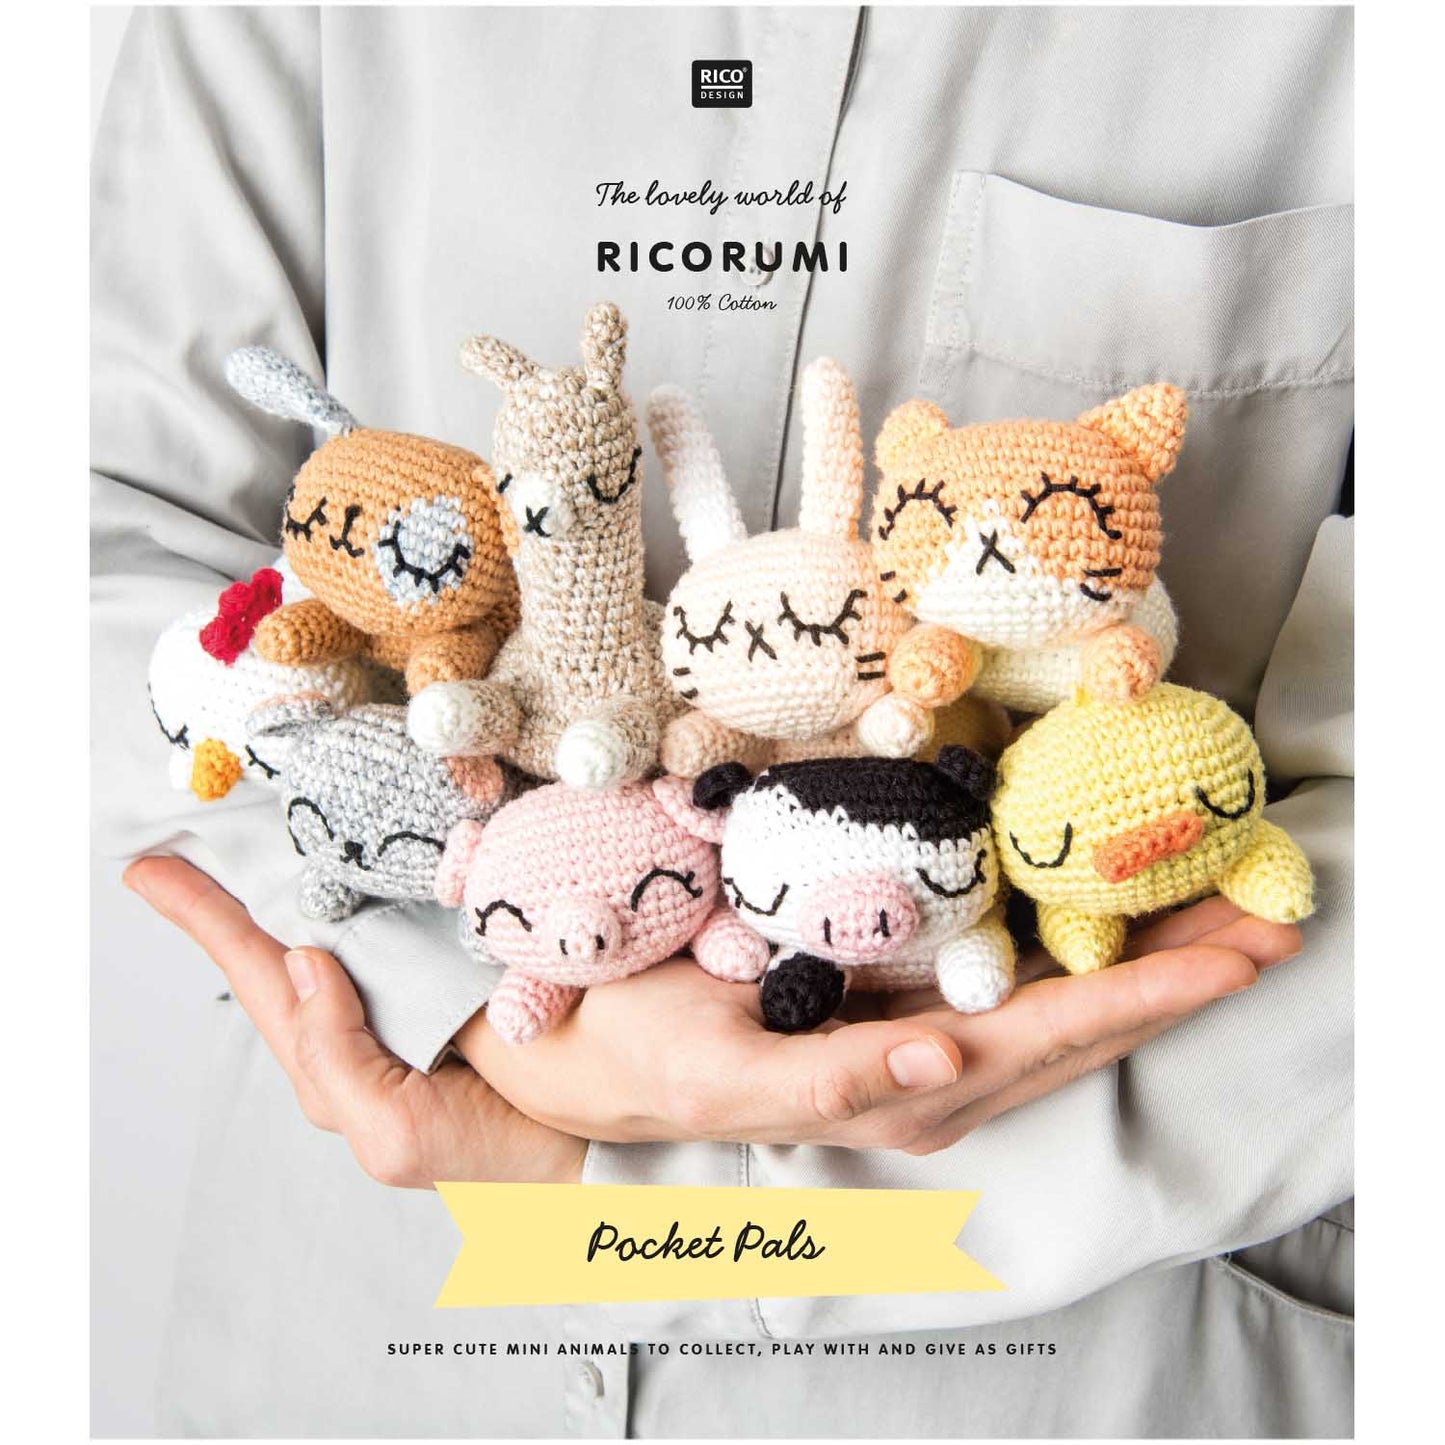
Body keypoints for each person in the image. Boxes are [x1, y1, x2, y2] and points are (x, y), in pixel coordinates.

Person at [93, 5, 1353, 1436]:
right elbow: (109, 531)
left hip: (1045, 1334)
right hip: (361, 1309)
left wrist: (658, 1205)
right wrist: (457, 995)